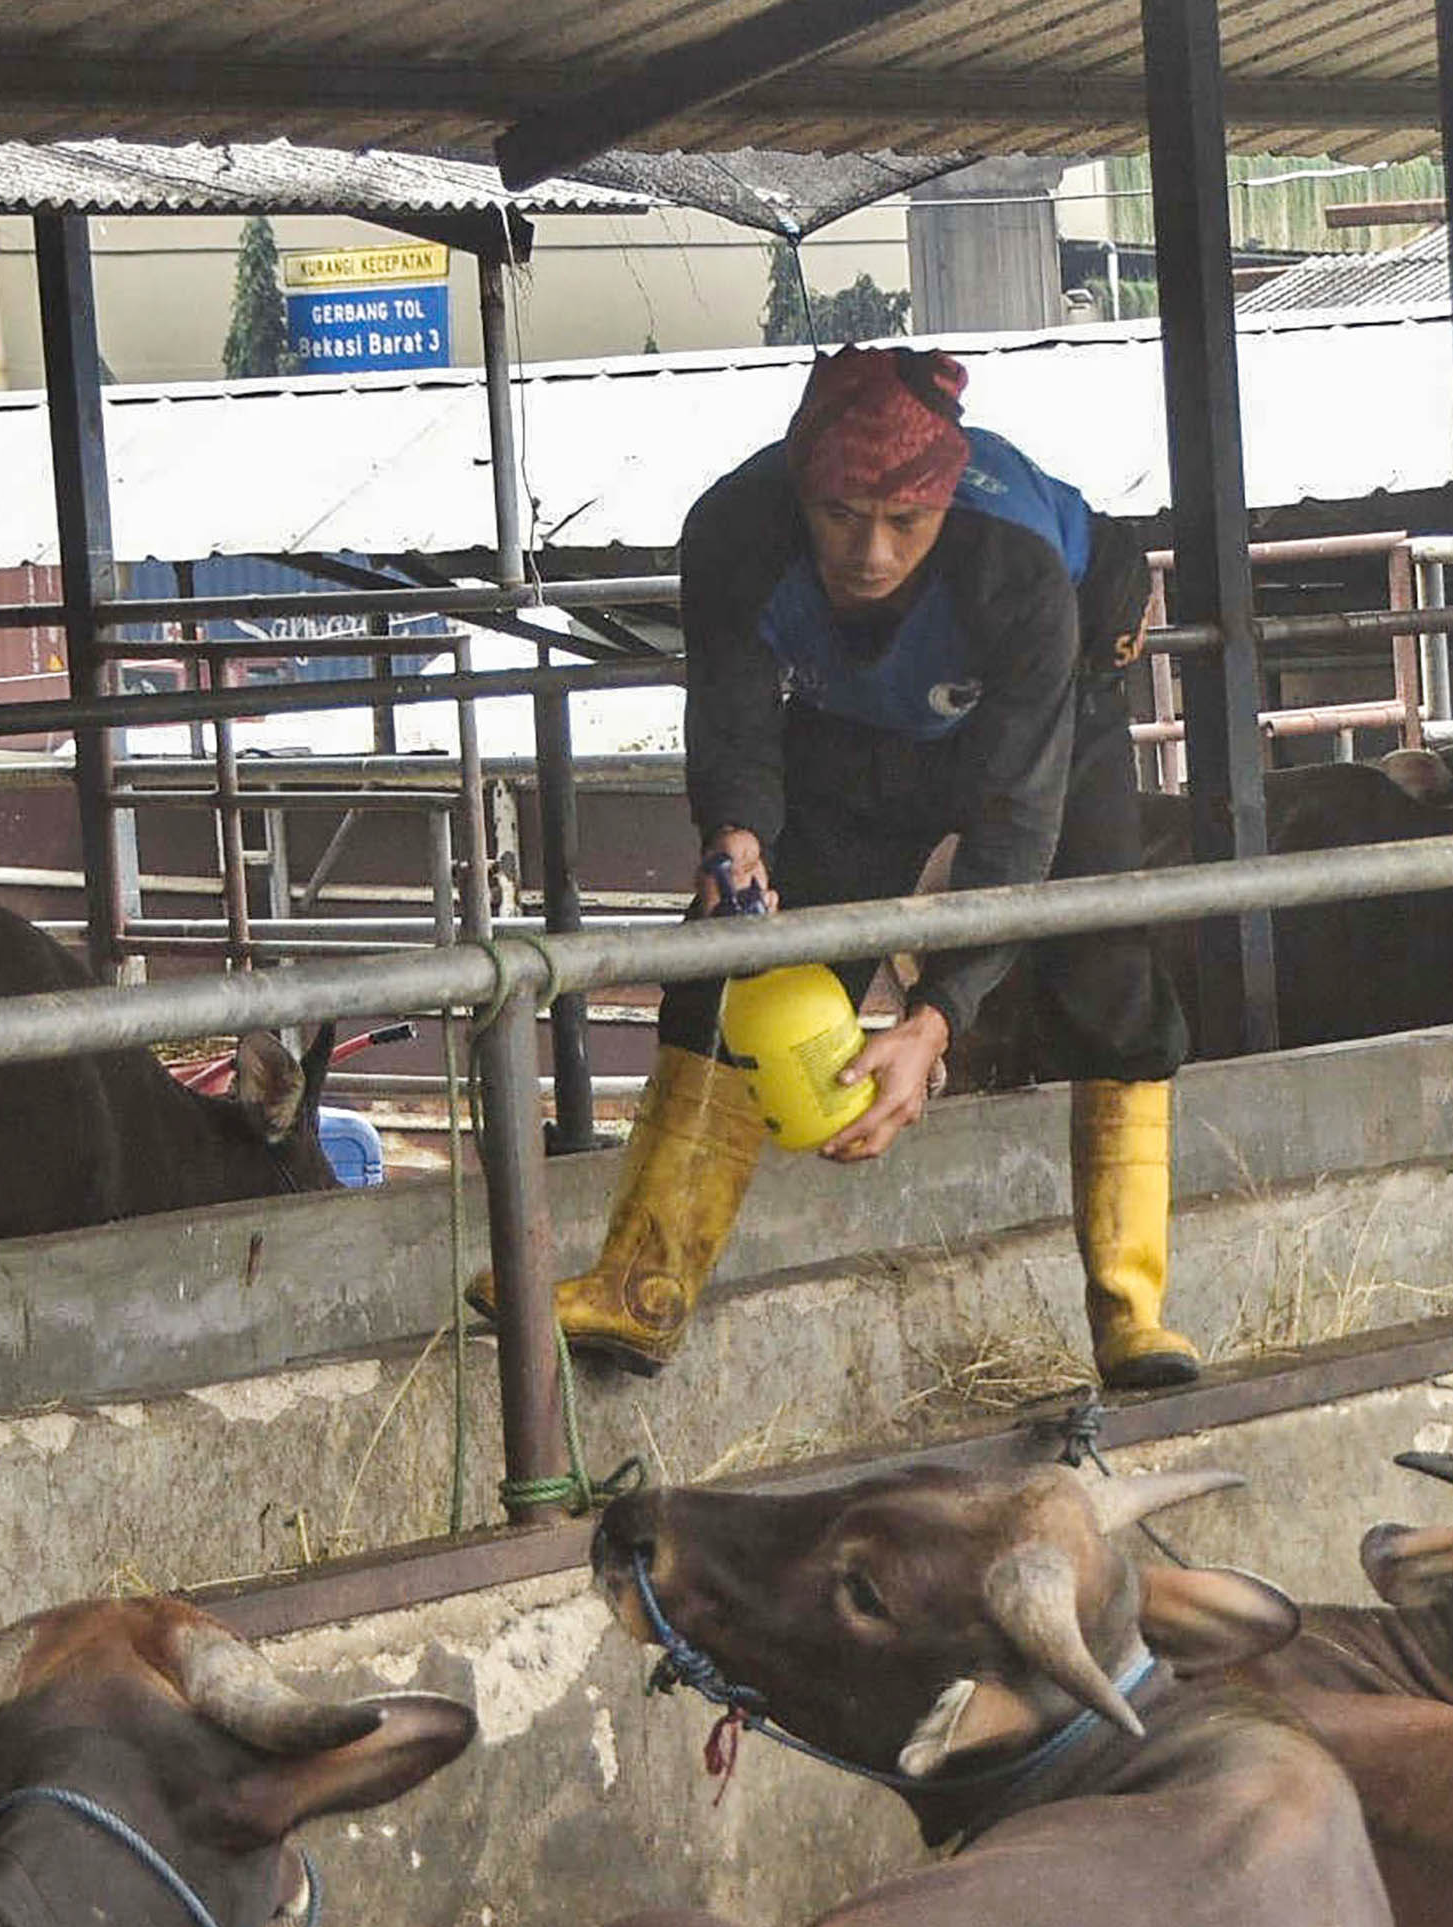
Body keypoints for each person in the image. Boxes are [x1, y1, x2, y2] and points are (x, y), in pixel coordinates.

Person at [486, 345, 1202, 1388]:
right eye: (839, 517)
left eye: (902, 523)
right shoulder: (735, 529)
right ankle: (640, 1289)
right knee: (729, 962)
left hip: (1049, 700)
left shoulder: (1014, 564)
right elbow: (733, 709)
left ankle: (1132, 1315)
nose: (869, 552)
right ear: (798, 490)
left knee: (1104, 966)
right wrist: (736, 832)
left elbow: (1013, 828)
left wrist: (937, 1014)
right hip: (851, 710)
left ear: (943, 504)